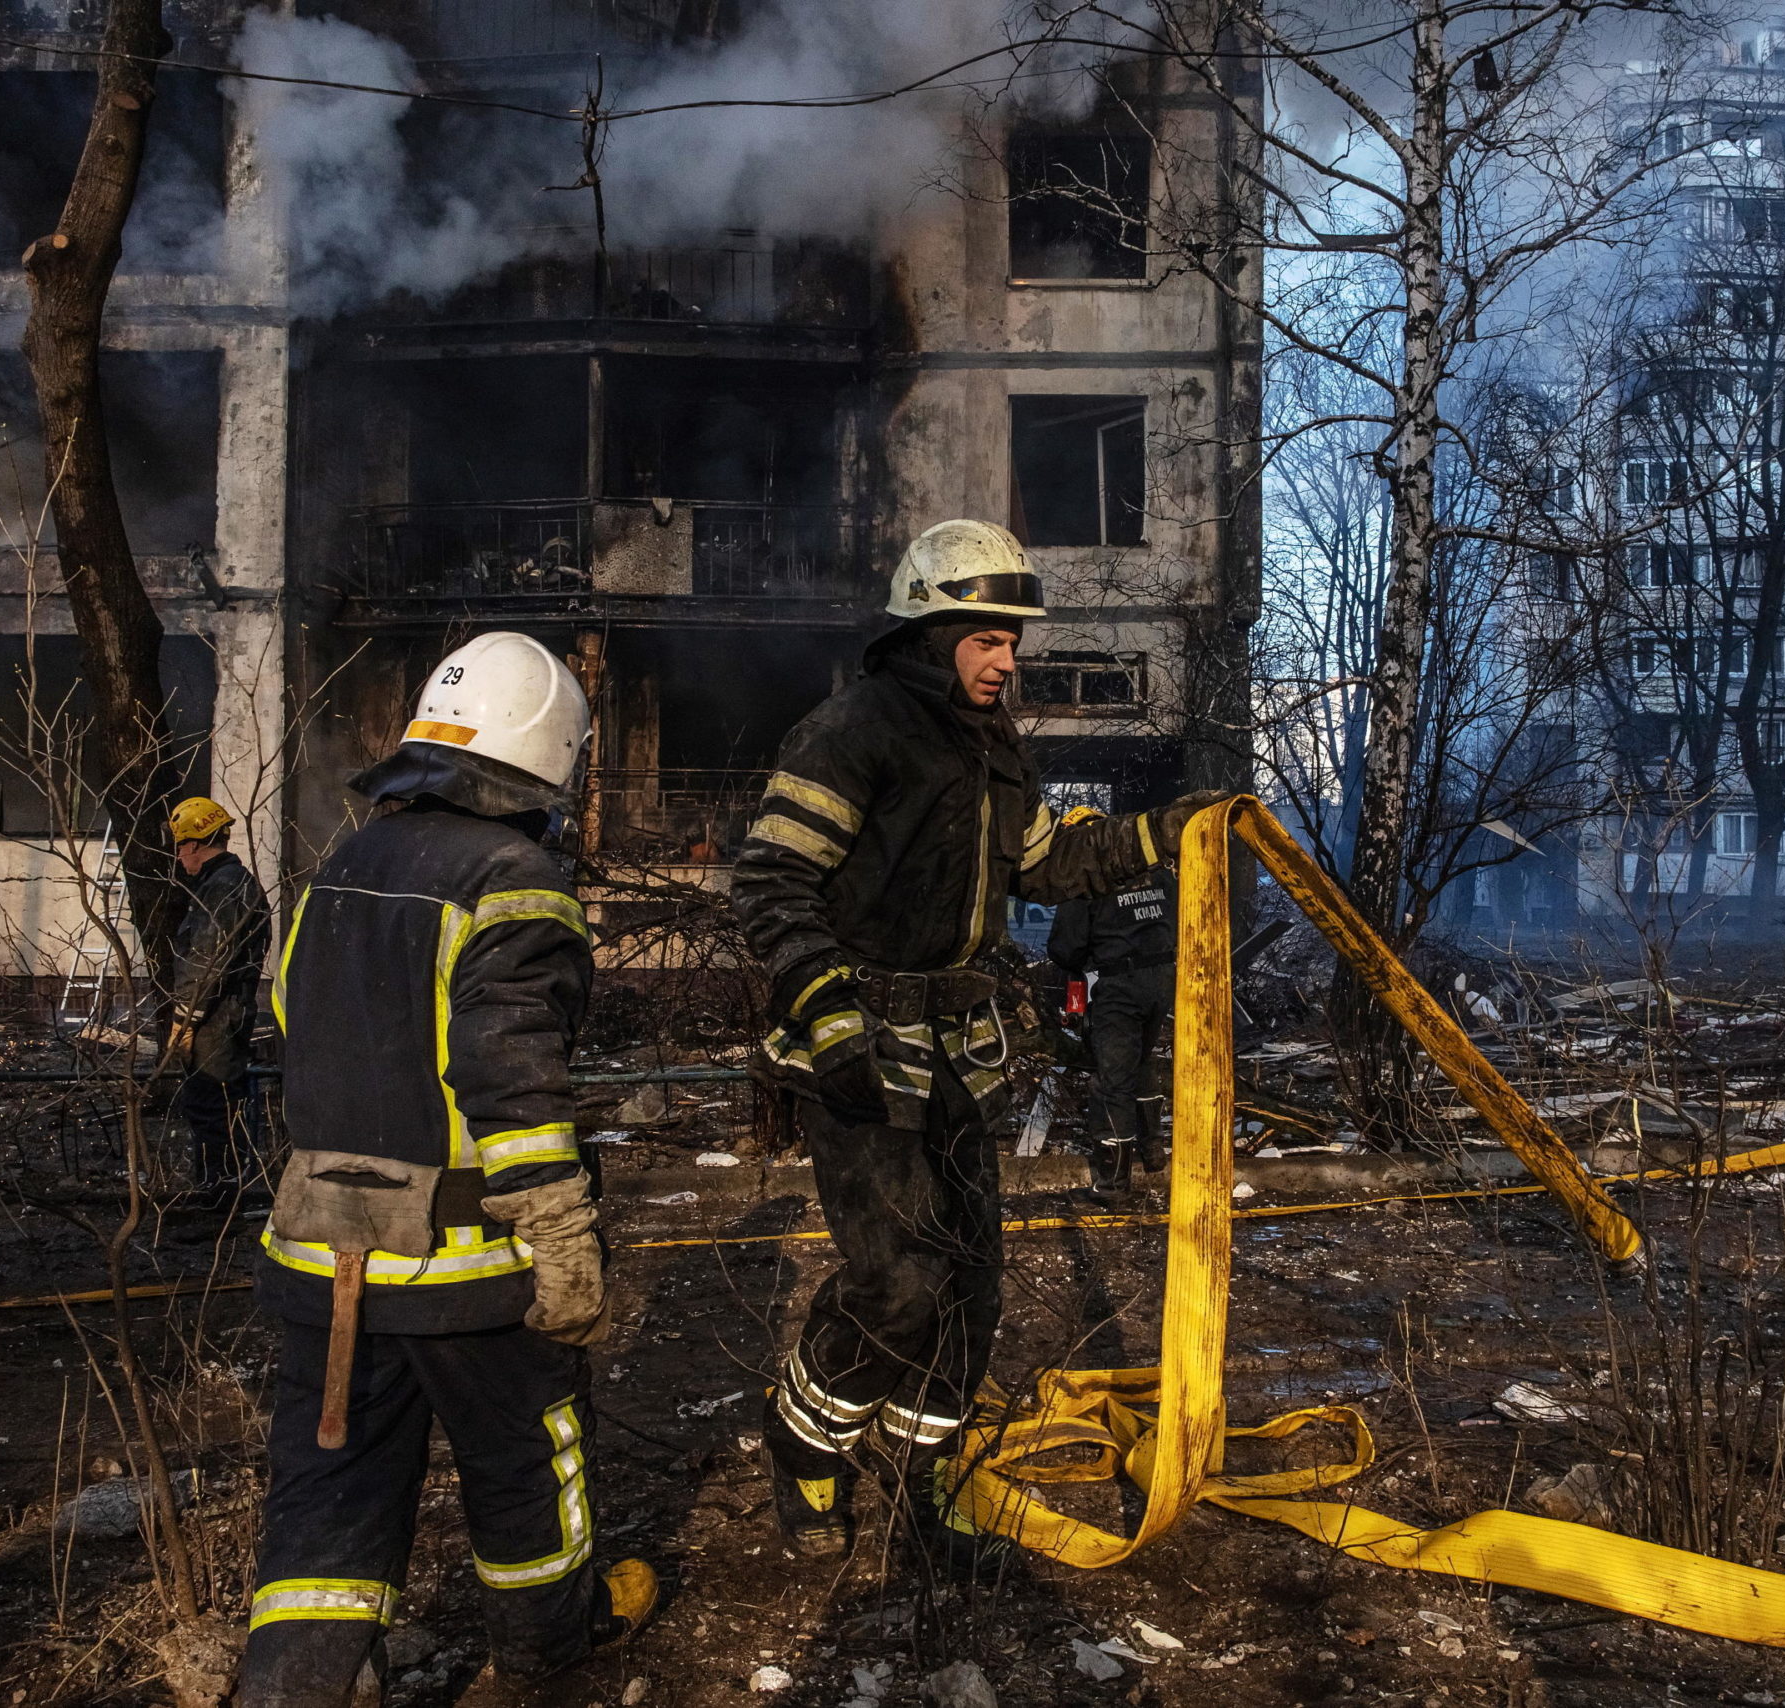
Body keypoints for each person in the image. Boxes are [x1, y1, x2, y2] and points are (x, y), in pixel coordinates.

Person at [731, 517, 1228, 1558]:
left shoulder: (991, 748)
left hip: (957, 1049)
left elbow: (1049, 863)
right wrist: (826, 1022)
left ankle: (926, 1482)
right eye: (987, 637)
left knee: (969, 1285)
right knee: (895, 1280)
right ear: (930, 628)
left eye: (1013, 640)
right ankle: (807, 1456)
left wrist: (1168, 831)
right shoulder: (854, 730)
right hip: (859, 1050)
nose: (1007, 658)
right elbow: (774, 881)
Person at [244, 632, 655, 1706]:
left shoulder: (340, 862)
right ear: (550, 756)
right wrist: (559, 1233)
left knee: (329, 1481)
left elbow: (291, 1018)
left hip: (323, 1254)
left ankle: (303, 1680)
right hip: (465, 1269)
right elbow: (510, 1074)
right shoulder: (512, 879)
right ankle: (548, 1646)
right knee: (528, 1457)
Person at [1046, 832, 1176, 1203]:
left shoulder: (1088, 876)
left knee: (1112, 1079)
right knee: (1142, 1058)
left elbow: (1065, 948)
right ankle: (1152, 1151)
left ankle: (1112, 1186)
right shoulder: (1156, 869)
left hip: (1121, 982)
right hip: (1163, 978)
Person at [166, 796, 272, 1209]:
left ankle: (221, 1195)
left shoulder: (223, 887)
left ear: (192, 844)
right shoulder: (227, 883)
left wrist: (184, 1020)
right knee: (217, 1101)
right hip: (223, 1010)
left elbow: (205, 960)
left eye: (179, 847)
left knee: (211, 1101)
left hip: (216, 1015)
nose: (179, 857)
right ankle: (221, 1188)